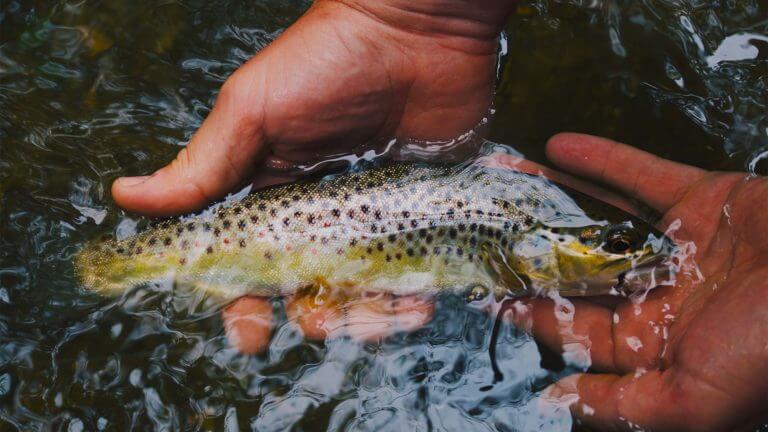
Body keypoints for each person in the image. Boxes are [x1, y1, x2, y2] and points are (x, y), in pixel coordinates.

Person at [110, 1, 768, 430]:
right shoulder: (530, 238)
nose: (638, 255)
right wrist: (405, 16)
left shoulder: (526, 237)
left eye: (620, 248)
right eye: (617, 246)